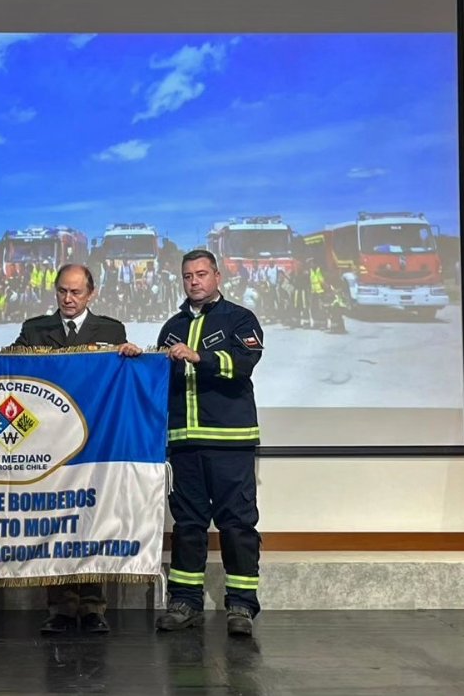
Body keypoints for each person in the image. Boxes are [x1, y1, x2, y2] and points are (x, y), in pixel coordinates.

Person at [12, 264, 137, 635]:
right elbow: (10, 366)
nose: (68, 299)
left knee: (92, 522)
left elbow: (119, 380)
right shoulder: (35, 329)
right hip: (49, 445)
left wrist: (129, 357)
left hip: (96, 442)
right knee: (56, 523)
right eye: (62, 292)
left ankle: (94, 607)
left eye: (76, 293)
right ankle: (61, 609)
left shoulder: (112, 330)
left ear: (91, 294)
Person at [153, 250, 264, 638]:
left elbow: (244, 362)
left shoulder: (240, 319)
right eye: (187, 276)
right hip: (183, 444)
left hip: (230, 443)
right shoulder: (172, 326)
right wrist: (139, 360)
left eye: (201, 274)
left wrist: (199, 357)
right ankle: (185, 601)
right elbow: (157, 380)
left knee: (237, 525)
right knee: (187, 525)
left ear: (217, 276)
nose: (194, 281)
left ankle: (241, 606)